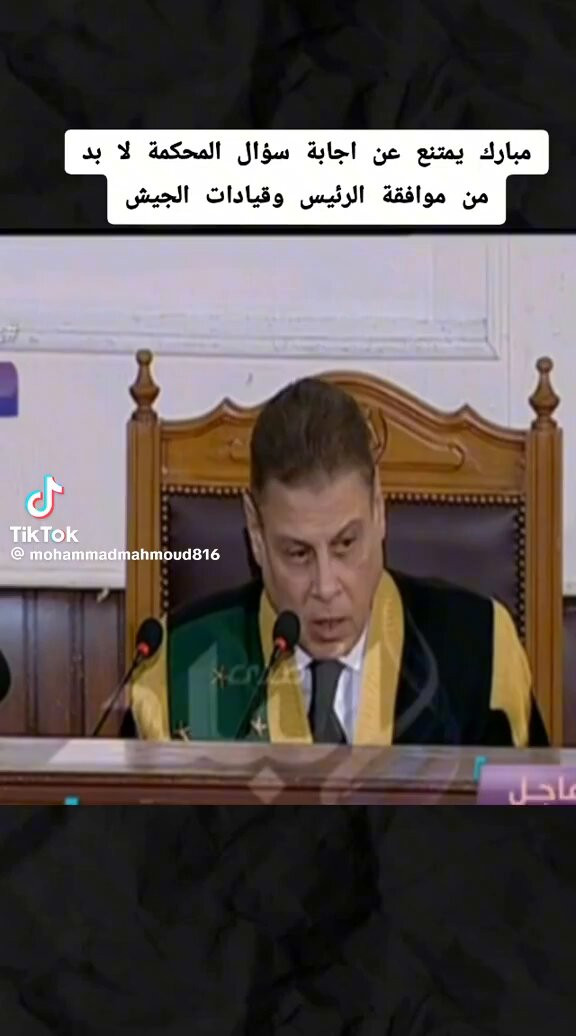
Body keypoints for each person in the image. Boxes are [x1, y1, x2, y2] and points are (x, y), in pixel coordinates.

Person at [129, 377, 549, 746]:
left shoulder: (480, 653)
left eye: (346, 544)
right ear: (256, 531)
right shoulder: (175, 671)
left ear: (379, 509)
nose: (326, 587)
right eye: (298, 554)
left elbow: (529, 807)